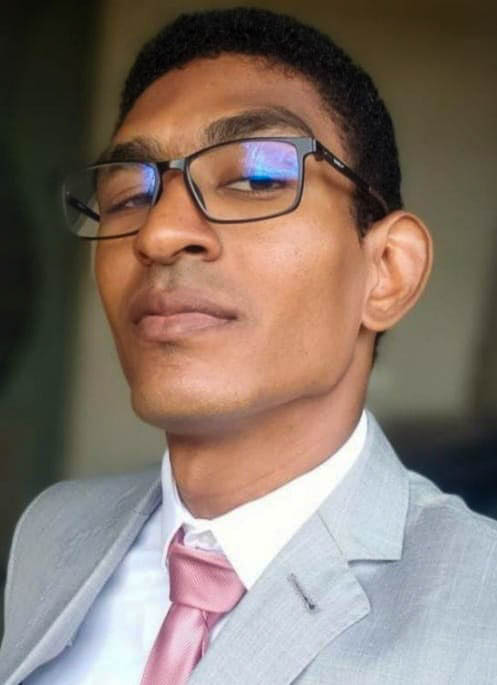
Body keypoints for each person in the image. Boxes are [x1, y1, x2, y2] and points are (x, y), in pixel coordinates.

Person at [1, 7, 497, 685]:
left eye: (256, 180)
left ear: (387, 271)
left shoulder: (479, 607)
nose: (159, 234)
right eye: (127, 195)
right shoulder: (53, 531)